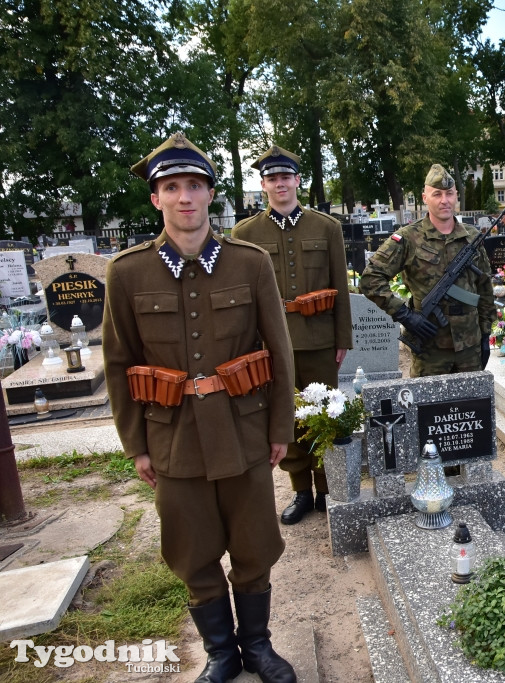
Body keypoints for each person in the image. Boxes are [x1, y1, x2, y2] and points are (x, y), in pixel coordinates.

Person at [102, 132, 297, 682]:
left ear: (211, 195)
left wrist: (280, 426)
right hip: (174, 436)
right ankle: (220, 652)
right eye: (171, 187)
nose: (184, 197)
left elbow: (279, 353)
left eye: (194, 186)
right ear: (155, 198)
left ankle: (257, 645)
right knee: (192, 551)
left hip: (244, 431)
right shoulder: (127, 272)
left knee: (255, 544)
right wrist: (136, 445)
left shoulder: (250, 263)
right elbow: (119, 363)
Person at [233, 145, 353, 525]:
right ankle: (301, 490)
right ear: (264, 184)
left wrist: (342, 339)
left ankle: (328, 488)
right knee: (286, 417)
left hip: (319, 339)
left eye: (286, 177)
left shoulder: (326, 227)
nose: (279, 183)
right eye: (272, 178)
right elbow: (244, 296)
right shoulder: (245, 233)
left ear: (298, 181)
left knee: (324, 415)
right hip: (273, 342)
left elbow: (340, 287)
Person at [359, 163, 496, 377]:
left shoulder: (472, 237)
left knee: (472, 408)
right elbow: (370, 279)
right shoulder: (407, 238)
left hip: (470, 348)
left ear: (456, 195)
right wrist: (405, 315)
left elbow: (485, 288)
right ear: (425, 198)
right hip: (430, 350)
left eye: (449, 194)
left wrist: (486, 334)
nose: (444, 200)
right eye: (437, 194)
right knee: (429, 409)